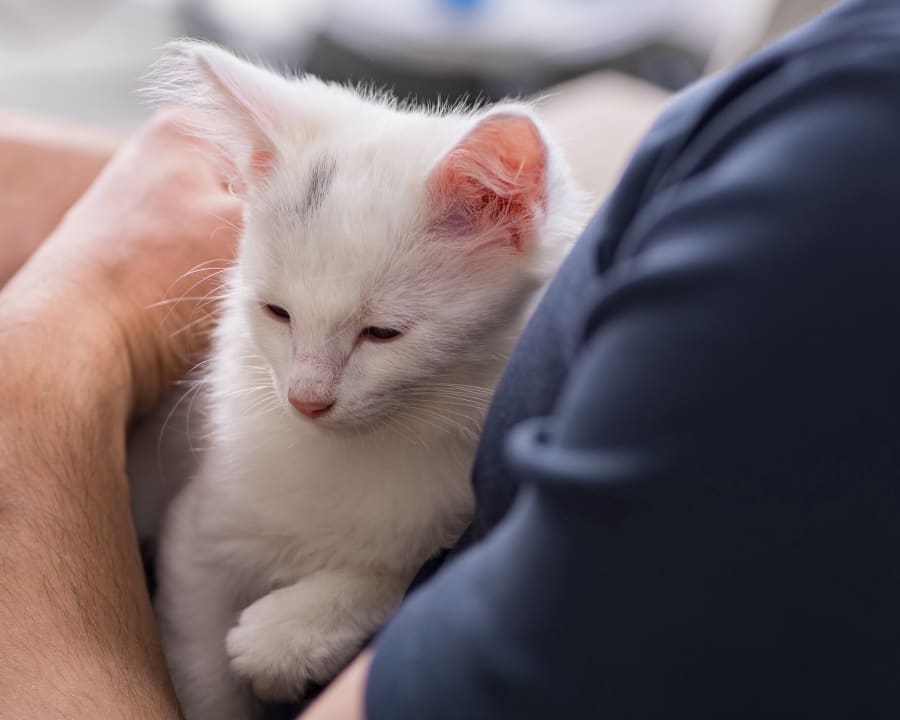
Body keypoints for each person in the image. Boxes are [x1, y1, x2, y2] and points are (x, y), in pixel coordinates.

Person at [3, 0, 900, 718]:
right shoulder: (822, 99)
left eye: (383, 336)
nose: (304, 392)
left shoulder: (836, 227)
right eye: (275, 313)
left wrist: (60, 340)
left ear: (506, 210)